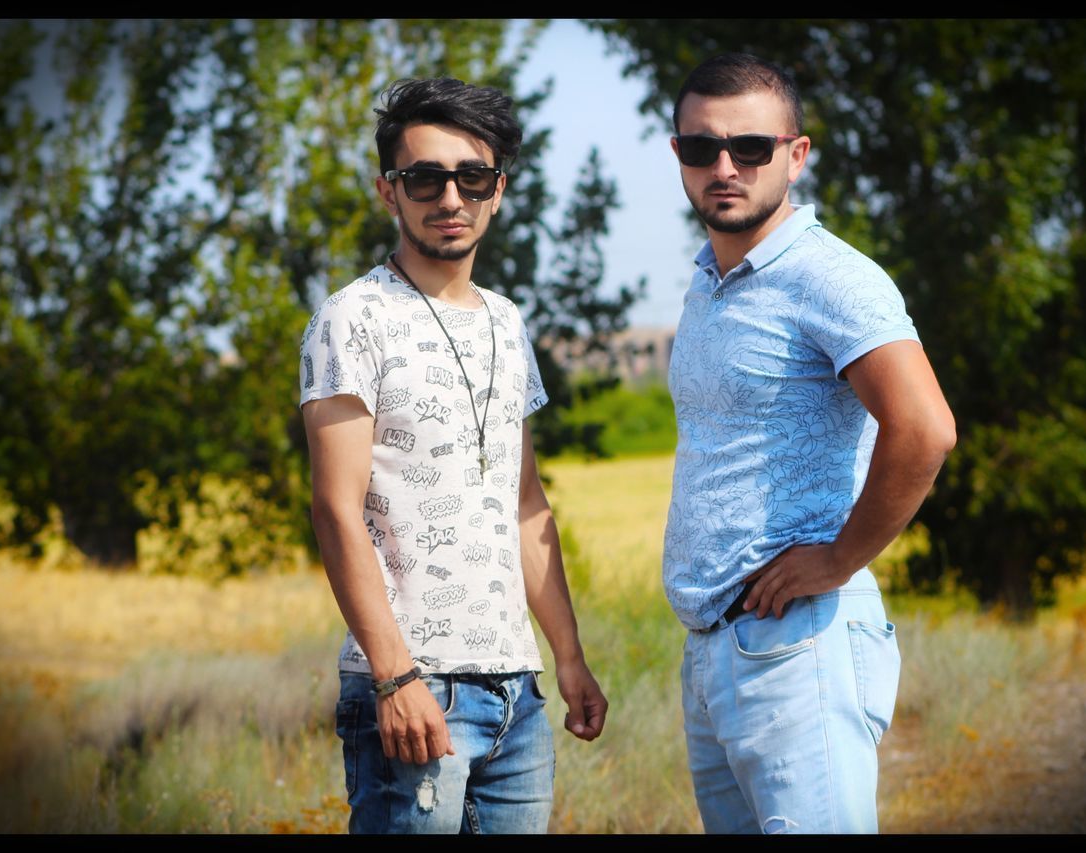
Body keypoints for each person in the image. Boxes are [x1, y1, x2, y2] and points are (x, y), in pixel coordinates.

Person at [299, 76, 607, 835]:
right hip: (416, 683)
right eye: (425, 177)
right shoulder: (351, 318)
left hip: (517, 688)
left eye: (472, 176)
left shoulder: (508, 321)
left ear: (497, 189)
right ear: (388, 191)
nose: (450, 196)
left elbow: (525, 501)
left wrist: (566, 657)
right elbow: (335, 507)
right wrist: (394, 673)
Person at [662, 53, 957, 833]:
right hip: (714, 652)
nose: (724, 167)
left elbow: (925, 427)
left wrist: (836, 559)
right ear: (678, 157)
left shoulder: (830, 276)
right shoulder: (708, 280)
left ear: (797, 154)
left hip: (804, 645)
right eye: (701, 149)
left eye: (751, 148)